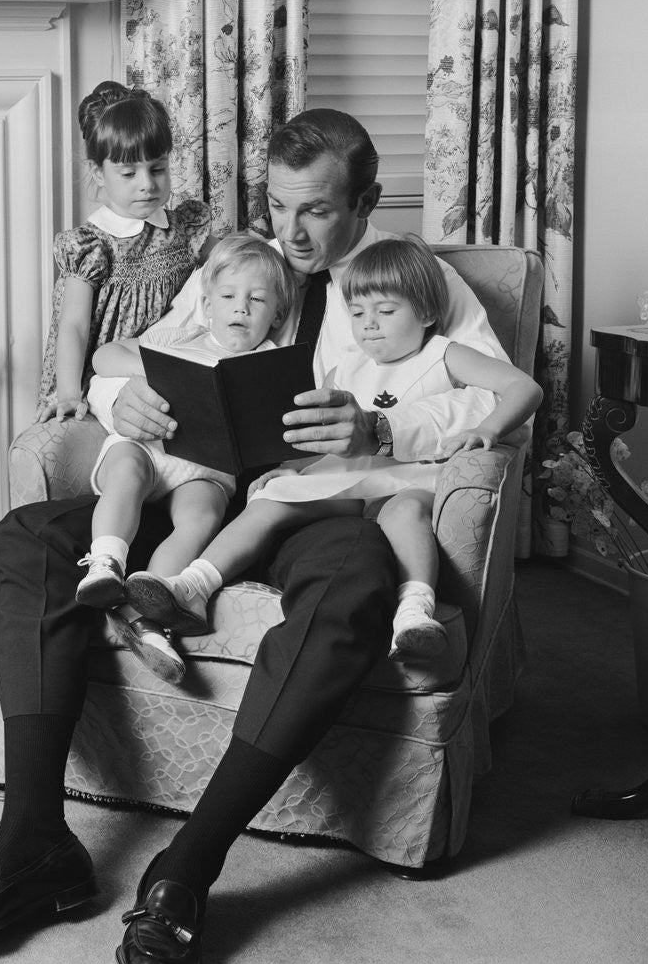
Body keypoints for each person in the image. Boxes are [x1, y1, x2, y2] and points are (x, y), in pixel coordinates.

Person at [0, 109, 515, 964]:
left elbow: (494, 403)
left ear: (366, 201)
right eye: (277, 205)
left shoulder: (412, 276)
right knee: (29, 537)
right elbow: (146, 357)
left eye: (316, 211)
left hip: (322, 505)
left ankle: (186, 868)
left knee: (351, 596)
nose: (290, 232)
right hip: (199, 486)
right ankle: (32, 841)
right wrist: (122, 401)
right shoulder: (237, 261)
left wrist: (382, 428)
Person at [124, 235, 543, 664]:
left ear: (426, 312)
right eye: (358, 313)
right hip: (351, 479)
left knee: (405, 513)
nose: (369, 325)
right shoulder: (347, 367)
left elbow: (523, 387)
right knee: (271, 500)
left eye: (386, 311)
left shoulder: (445, 354)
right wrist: (291, 468)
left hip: (411, 477)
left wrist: (488, 429)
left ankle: (414, 612)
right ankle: (193, 586)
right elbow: (316, 435)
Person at [74, 233, 298, 683]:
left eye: (257, 300)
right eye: (228, 297)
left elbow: (284, 434)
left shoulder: (272, 366)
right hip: (147, 447)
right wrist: (155, 369)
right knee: (126, 472)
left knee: (202, 517)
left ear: (277, 314)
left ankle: (152, 616)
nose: (240, 309)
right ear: (208, 304)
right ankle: (106, 564)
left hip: (205, 470)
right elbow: (104, 355)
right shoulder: (178, 336)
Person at [35, 80, 213, 424]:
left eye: (158, 168)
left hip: (161, 372)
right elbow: (73, 326)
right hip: (102, 379)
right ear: (99, 173)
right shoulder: (92, 246)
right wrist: (69, 393)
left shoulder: (184, 229)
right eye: (129, 173)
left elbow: (230, 259)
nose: (147, 184)